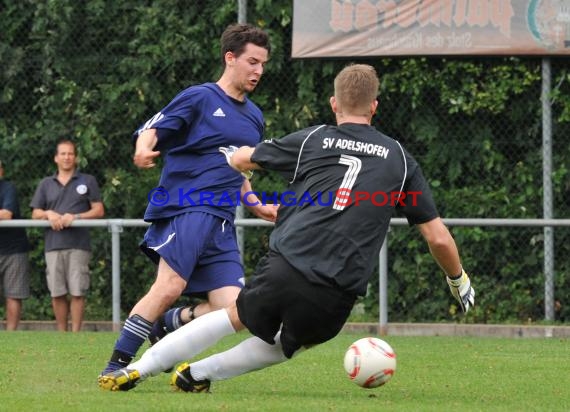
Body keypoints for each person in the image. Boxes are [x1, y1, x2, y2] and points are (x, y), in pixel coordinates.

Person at [98, 63, 475, 392]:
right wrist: (458, 281)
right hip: (337, 288)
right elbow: (436, 236)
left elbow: (247, 157)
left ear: (333, 104)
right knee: (285, 345)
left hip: (286, 265)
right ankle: (196, 374)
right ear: (374, 107)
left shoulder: (314, 138)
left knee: (234, 317)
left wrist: (233, 156)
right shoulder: (399, 159)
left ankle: (137, 368)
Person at [99, 23, 277, 376]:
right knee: (169, 285)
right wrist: (142, 148)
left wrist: (255, 202)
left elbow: (237, 169)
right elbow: (153, 128)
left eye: (262, 64)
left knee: (236, 309)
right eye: (252, 62)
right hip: (190, 205)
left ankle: (170, 322)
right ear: (230, 58)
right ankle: (115, 366)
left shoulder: (254, 117)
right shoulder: (200, 97)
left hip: (222, 220)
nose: (258, 70)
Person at [30, 139, 105, 332]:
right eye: (63, 154)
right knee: (57, 292)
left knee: (78, 291)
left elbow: (98, 210)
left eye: (70, 153)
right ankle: (62, 334)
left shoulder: (87, 180)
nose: (67, 157)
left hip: (79, 244)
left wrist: (77, 216)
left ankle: (76, 334)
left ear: (76, 157)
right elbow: (35, 212)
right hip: (53, 245)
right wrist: (49, 213)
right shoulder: (46, 183)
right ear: (56, 158)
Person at [0, 160, 31, 330]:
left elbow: (6, 214)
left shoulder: (8, 188)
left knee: (13, 295)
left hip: (14, 250)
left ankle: (12, 334)